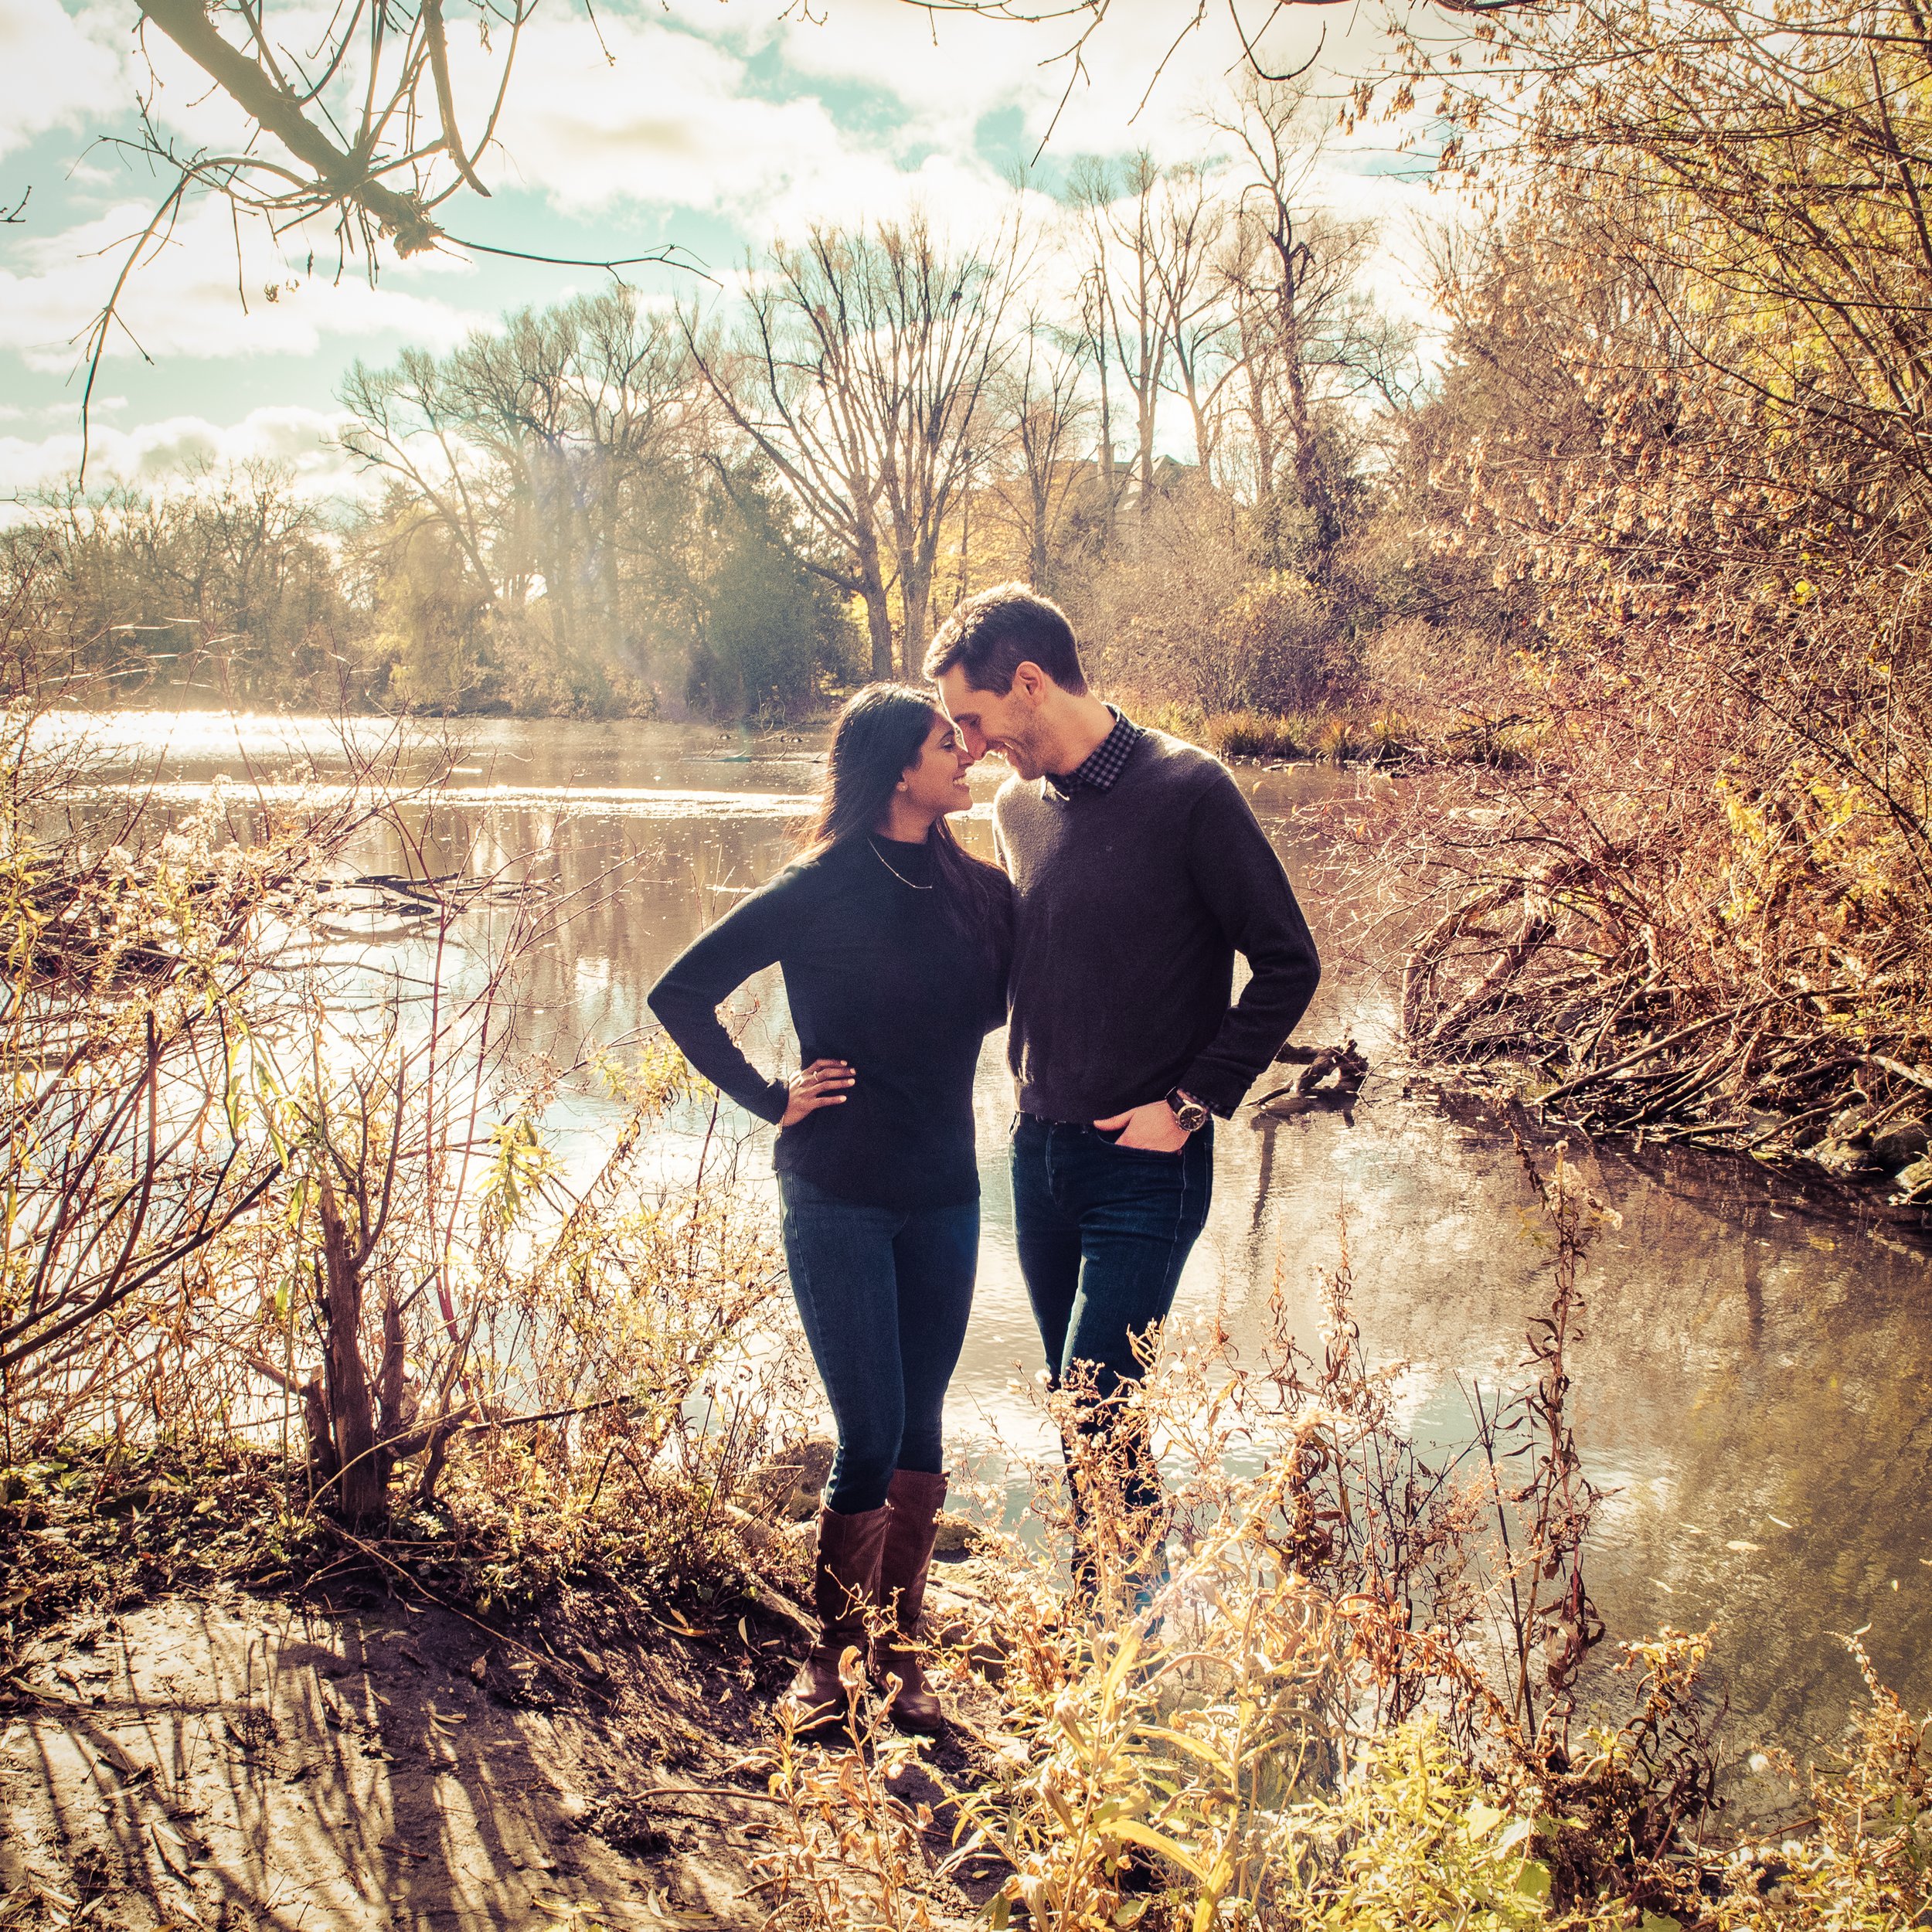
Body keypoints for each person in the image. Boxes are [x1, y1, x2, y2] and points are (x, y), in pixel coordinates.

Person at [925, 584, 1321, 1608]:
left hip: (1147, 1163)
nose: (967, 747)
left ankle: (1116, 1642)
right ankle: (1117, 1634)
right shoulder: (1017, 808)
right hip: (1039, 1157)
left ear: (1030, 681)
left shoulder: (1190, 788)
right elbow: (1037, 964)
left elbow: (1287, 964)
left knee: (1098, 1403)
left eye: (973, 721)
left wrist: (1192, 1104)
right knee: (1081, 1409)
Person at [648, 685, 1011, 1734]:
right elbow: (679, 992)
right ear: (899, 767)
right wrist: (773, 1097)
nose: (968, 755)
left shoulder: (981, 893)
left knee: (923, 1428)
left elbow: (1027, 999)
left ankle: (904, 1661)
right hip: (837, 1191)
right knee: (868, 1431)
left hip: (945, 1192)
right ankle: (830, 1663)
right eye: (951, 743)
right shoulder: (815, 888)